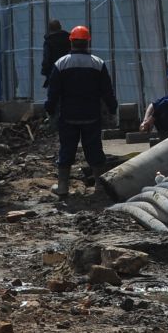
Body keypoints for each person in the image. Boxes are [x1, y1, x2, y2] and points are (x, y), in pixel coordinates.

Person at [44, 25, 118, 199]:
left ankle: (62, 186)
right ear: (87, 42)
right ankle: (99, 186)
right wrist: (113, 108)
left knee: (67, 149)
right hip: (91, 115)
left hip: (68, 116)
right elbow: (107, 90)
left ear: (71, 42)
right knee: (94, 149)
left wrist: (50, 109)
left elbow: (53, 91)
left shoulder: (61, 63)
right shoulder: (97, 63)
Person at [40, 18, 70, 87]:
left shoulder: (49, 42)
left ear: (49, 29)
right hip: (68, 70)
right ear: (60, 27)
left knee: (54, 93)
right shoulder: (69, 39)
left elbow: (46, 58)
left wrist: (45, 71)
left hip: (53, 71)